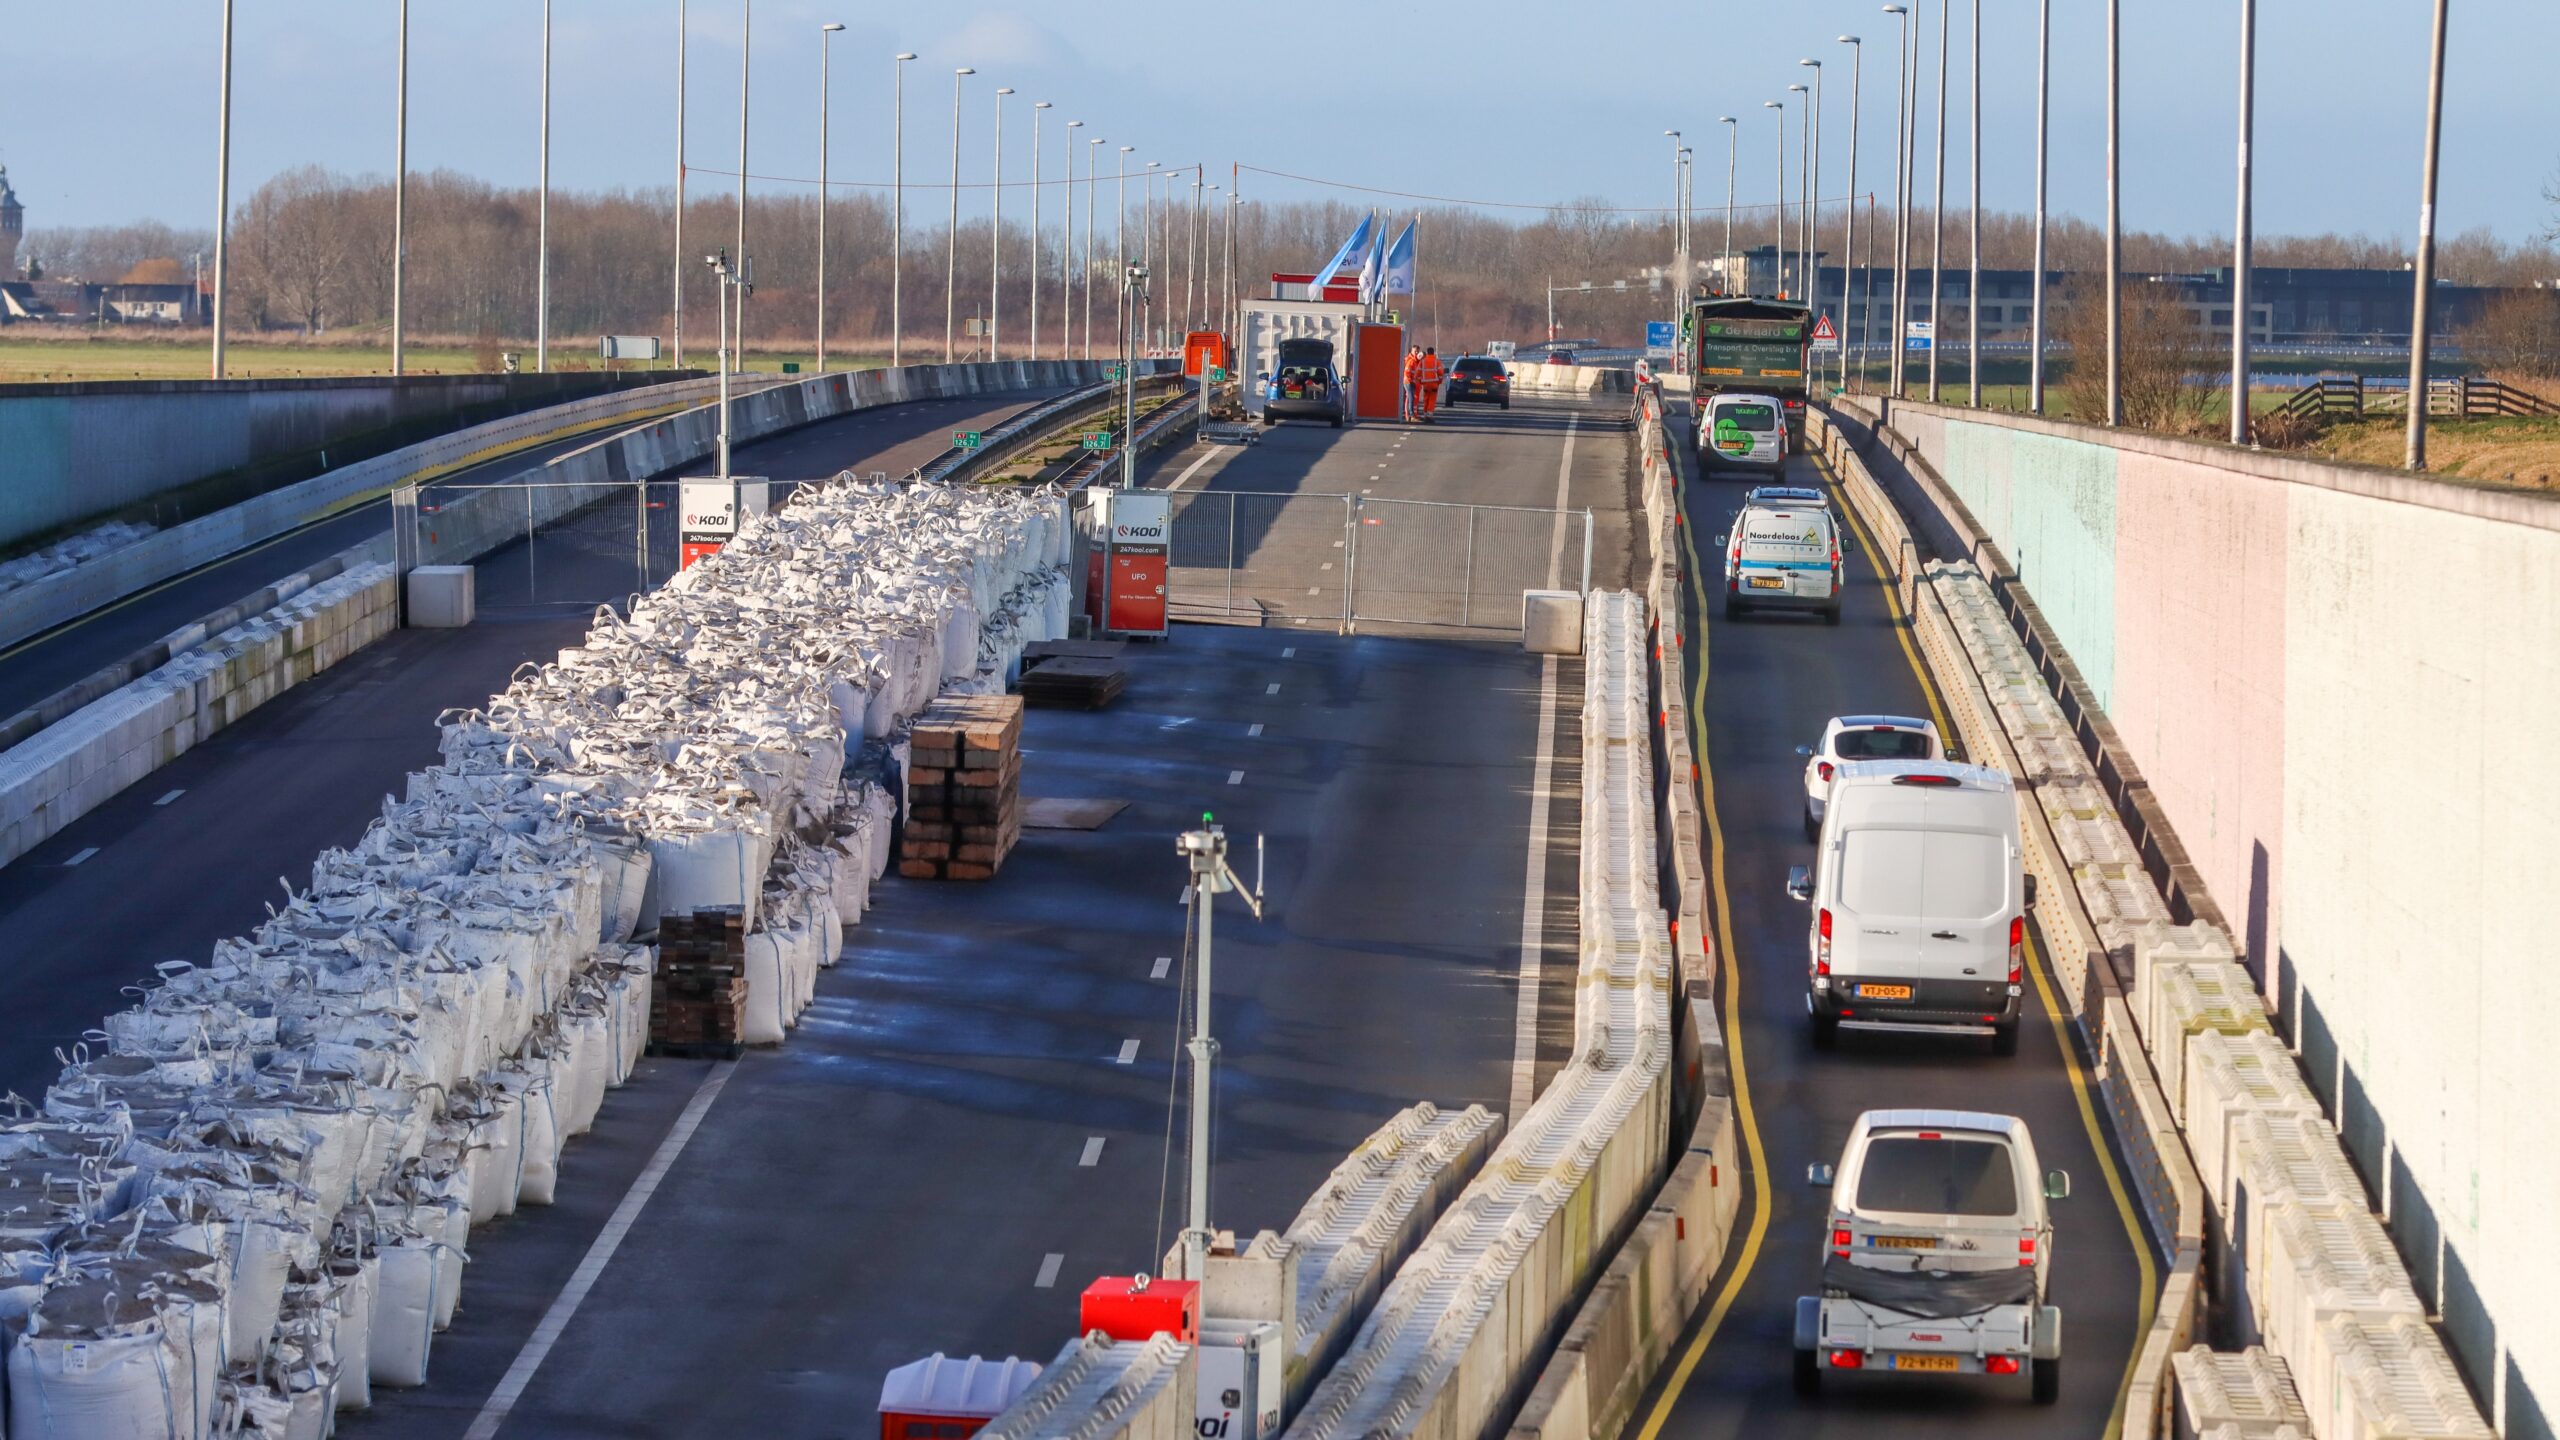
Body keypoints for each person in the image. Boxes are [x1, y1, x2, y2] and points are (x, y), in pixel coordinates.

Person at [1418, 347, 1444, 422]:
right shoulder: (1437, 362)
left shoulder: (1422, 362)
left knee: (1426, 399)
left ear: (1427, 352)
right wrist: (1439, 381)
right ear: (1433, 352)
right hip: (1434, 384)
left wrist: (1420, 381)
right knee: (1432, 399)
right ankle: (1429, 415)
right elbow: (1441, 373)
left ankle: (1425, 414)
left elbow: (1417, 373)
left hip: (1425, 384)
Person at [1402, 346, 1424, 421]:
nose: (1417, 353)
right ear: (1412, 351)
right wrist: (1411, 381)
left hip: (1412, 382)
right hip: (1408, 382)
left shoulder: (1416, 361)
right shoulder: (1411, 361)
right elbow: (1407, 372)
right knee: (1410, 397)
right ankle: (1410, 415)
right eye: (1415, 351)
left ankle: (1410, 415)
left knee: (1410, 397)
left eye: (1418, 352)